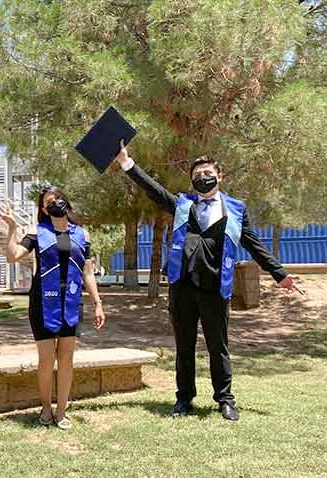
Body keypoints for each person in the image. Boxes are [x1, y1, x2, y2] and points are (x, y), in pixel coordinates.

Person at [112, 143, 304, 421]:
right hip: (183, 286)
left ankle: (225, 400)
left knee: (218, 346)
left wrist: (280, 274)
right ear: (192, 181)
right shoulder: (183, 204)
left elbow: (253, 244)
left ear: (220, 176)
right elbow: (154, 191)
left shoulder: (236, 210)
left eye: (207, 172)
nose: (203, 177)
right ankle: (184, 399)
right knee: (184, 345)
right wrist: (127, 163)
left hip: (216, 287)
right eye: (197, 174)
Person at [0, 187, 105, 429]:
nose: (55, 203)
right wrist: (12, 229)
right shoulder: (37, 232)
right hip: (42, 301)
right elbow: (13, 256)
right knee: (47, 360)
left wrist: (97, 302)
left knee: (66, 360)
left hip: (70, 300)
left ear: (66, 202)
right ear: (43, 209)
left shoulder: (82, 234)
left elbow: (88, 272)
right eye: (49, 202)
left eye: (58, 199)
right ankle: (46, 408)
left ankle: (62, 411)